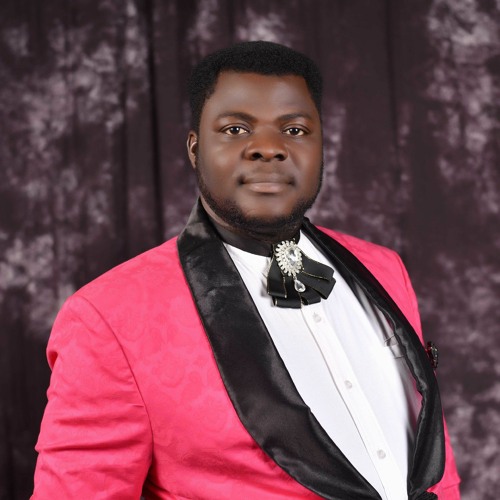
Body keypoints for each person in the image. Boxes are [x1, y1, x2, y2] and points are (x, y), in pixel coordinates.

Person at [32, 41, 460, 499]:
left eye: (294, 129)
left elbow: (435, 467)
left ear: (322, 146)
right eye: (236, 129)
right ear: (195, 149)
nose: (269, 148)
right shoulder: (107, 318)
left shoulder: (385, 268)